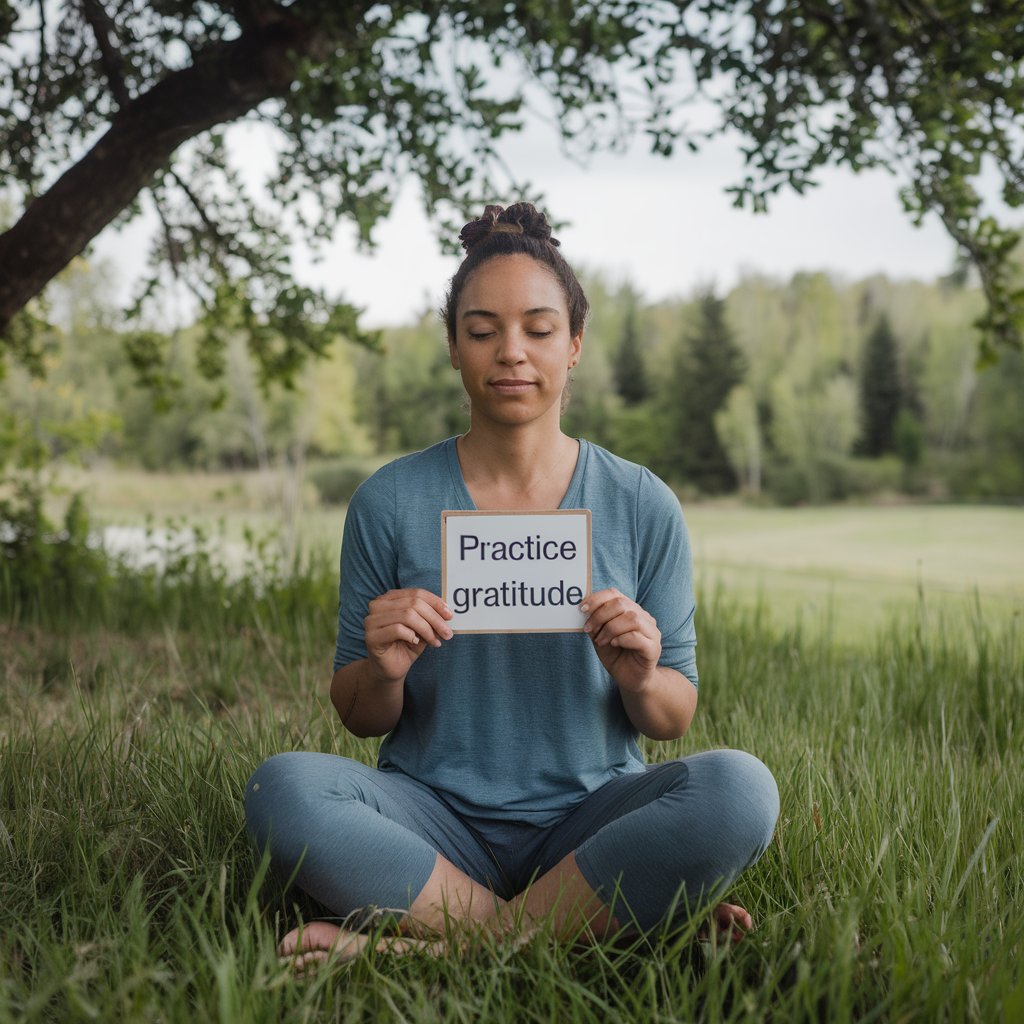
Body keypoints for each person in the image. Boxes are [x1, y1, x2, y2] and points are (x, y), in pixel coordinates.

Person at [244, 202, 779, 970]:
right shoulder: (389, 502)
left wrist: (640, 673)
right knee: (283, 788)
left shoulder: (640, 502)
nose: (511, 354)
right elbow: (358, 717)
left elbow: (671, 716)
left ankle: (432, 947)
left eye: (538, 328)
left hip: (592, 820)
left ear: (575, 345)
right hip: (430, 818)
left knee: (740, 790)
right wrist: (385, 666)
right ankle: (595, 930)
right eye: (483, 330)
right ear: (455, 349)